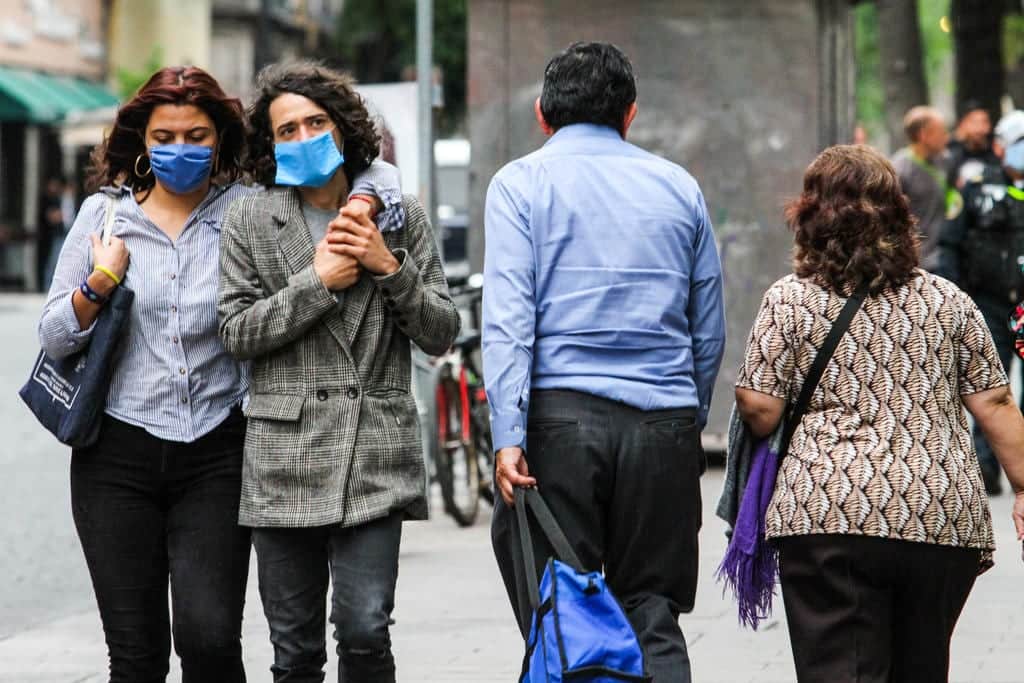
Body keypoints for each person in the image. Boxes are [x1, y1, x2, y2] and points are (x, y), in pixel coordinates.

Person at [37, 65, 402, 683]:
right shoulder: (105, 216)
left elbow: (376, 169)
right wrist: (99, 283)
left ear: (221, 139)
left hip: (218, 450)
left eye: (197, 136)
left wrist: (365, 197)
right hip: (116, 456)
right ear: (142, 142)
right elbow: (51, 335)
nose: (182, 150)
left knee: (209, 640)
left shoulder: (249, 210)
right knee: (135, 655)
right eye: (166, 137)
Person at [735, 144, 1024, 683]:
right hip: (937, 516)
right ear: (898, 213)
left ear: (810, 214)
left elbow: (760, 406)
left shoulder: (790, 300)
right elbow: (996, 400)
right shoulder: (948, 301)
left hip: (828, 516)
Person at [483, 42, 725, 682]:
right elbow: (708, 328)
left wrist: (508, 436)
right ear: (631, 114)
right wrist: (685, 415)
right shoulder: (679, 187)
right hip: (664, 423)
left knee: (564, 613)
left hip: (561, 426)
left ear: (542, 114)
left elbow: (509, 322)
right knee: (653, 608)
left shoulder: (519, 185)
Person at [217, 61, 459, 683]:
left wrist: (388, 265)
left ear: (343, 127)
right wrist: (316, 284)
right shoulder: (249, 220)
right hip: (282, 456)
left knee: (365, 629)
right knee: (294, 654)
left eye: (315, 122)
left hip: (373, 451)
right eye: (287, 129)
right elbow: (237, 333)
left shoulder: (400, 214)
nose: (303, 138)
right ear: (271, 145)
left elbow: (440, 330)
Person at [936, 110, 1024, 495]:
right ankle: (986, 467)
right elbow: (951, 243)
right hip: (987, 303)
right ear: (1001, 147)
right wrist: (956, 299)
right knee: (991, 386)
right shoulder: (975, 187)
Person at [890, 106, 954, 269]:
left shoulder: (945, 161)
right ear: (924, 135)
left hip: (944, 256)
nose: (946, 137)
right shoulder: (900, 169)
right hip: (916, 261)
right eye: (941, 132)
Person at [947, 101, 999, 190]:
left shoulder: (996, 152)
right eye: (974, 122)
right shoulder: (950, 152)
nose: (979, 128)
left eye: (984, 122)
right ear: (962, 124)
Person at [37, 175, 72, 291]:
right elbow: (51, 216)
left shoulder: (75, 199)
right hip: (58, 234)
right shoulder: (52, 199)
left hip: (68, 234)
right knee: (53, 262)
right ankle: (47, 287)